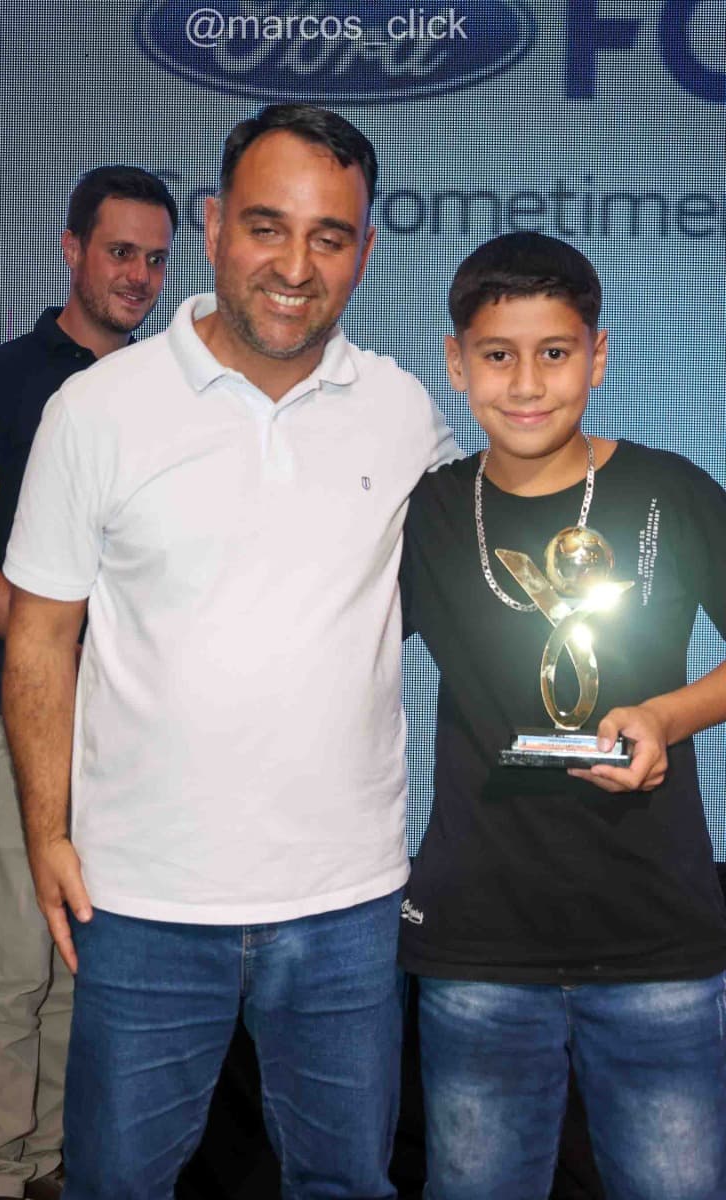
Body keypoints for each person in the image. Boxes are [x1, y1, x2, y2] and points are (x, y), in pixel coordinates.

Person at [0, 104, 457, 1200]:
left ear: (365, 250)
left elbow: (467, 576)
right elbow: (40, 635)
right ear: (212, 227)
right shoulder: (94, 410)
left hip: (347, 902)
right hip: (142, 902)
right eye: (266, 227)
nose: (295, 267)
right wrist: (47, 832)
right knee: (116, 1186)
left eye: (328, 237)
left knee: (346, 1185)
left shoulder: (400, 410)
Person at [399, 231, 726, 1200]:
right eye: (497, 355)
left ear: (598, 355)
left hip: (658, 941)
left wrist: (666, 716)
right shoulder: (429, 514)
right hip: (478, 948)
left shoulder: (668, 488)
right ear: (457, 363)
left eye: (554, 352)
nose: (527, 384)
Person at [0, 165, 178, 1200]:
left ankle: (51, 1166)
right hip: (17, 715)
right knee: (16, 961)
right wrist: (59, 655)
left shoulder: (167, 392)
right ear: (71, 250)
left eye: (155, 259)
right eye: (120, 251)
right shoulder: (1, 379)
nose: (139, 276)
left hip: (129, 734)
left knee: (88, 964)